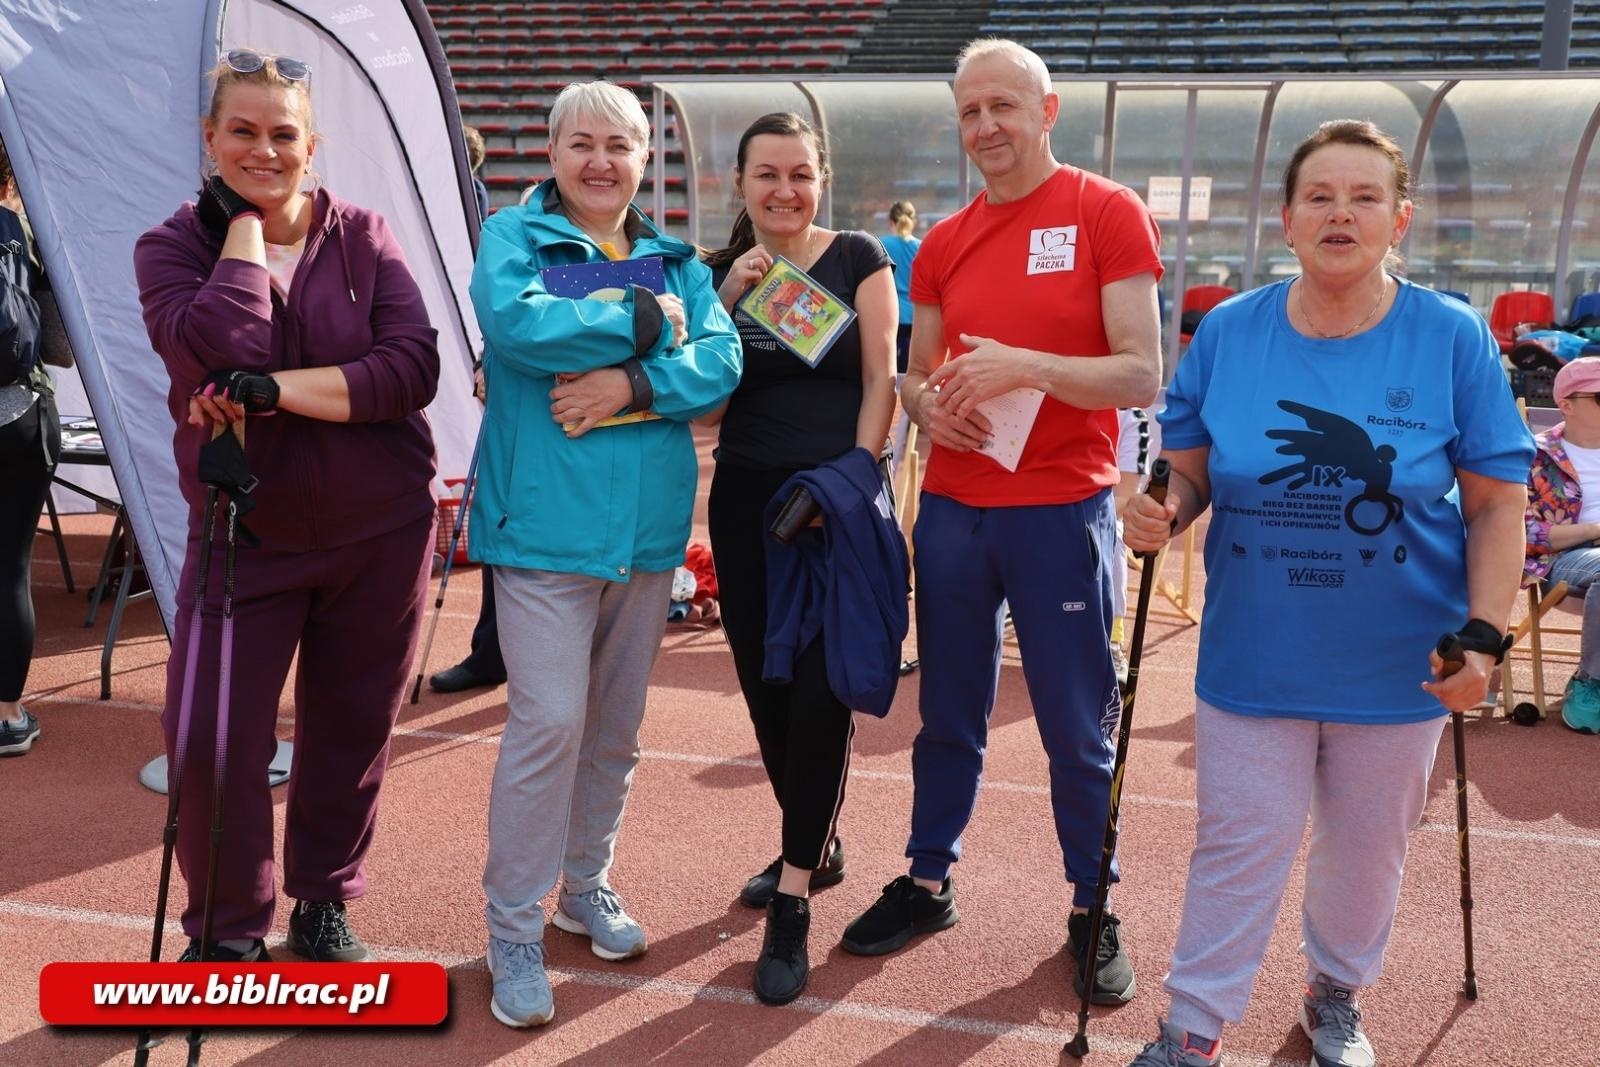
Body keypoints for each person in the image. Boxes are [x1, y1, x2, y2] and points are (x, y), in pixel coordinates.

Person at [1121, 120, 1532, 1067]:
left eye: (1364, 197)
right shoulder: (1228, 330)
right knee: (1236, 849)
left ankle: (1334, 995)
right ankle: (1192, 1028)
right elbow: (1184, 475)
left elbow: (1498, 504)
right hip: (1253, 655)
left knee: (1365, 855)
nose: (1340, 212)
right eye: (1320, 196)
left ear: (1401, 219)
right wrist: (1161, 510)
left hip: (1403, 669)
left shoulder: (1452, 336)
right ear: (1287, 219)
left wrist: (1483, 636)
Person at [839, 38, 1163, 1012]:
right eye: (969, 111)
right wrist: (928, 404)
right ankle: (929, 879)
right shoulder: (941, 241)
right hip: (953, 509)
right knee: (945, 713)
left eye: (1002, 108)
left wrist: (1028, 366)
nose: (985, 127)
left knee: (1075, 724)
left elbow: (1142, 370)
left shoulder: (1105, 211)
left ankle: (1090, 902)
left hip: (1060, 510)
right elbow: (917, 373)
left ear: (1046, 110)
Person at [133, 49, 440, 963]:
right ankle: (227, 932)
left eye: (283, 134)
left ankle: (322, 900)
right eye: (243, 131)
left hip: (380, 530)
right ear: (210, 137)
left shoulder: (368, 236)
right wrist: (242, 234)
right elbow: (222, 339)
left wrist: (267, 393)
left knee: (351, 729)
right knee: (208, 739)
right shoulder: (169, 246)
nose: (264, 149)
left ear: (314, 145)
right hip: (244, 535)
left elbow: (410, 372)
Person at [468, 80, 741, 1028]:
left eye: (618, 145)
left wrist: (625, 382)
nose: (599, 162)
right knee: (548, 724)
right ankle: (513, 926)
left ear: (642, 159)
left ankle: (585, 884)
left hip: (647, 534)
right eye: (581, 143)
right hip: (544, 526)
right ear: (552, 154)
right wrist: (642, 323)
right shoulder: (514, 241)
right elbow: (520, 327)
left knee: (616, 730)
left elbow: (720, 363)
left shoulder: (676, 260)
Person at [702, 112, 898, 1005]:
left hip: (835, 502)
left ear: (822, 177)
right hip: (747, 503)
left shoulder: (859, 256)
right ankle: (815, 841)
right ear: (739, 185)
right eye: (766, 175)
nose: (785, 190)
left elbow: (881, 378)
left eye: (800, 174)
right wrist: (728, 302)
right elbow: (702, 407)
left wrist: (853, 482)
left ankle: (792, 896)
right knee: (767, 689)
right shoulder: (717, 275)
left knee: (823, 690)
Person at [0, 140, 74, 757]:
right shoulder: (24, 231)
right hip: (19, 414)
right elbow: (59, 347)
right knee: (10, 569)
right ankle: (8, 714)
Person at [430, 123, 507, 697]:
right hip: (518, 395)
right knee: (502, 522)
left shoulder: (484, 209)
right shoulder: (512, 225)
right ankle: (493, 652)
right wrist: (488, 357)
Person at [1524, 355, 1600, 734]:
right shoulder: (1532, 456)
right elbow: (1526, 534)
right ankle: (1591, 682)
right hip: (1565, 559)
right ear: (1566, 405)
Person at [880, 200, 920, 476]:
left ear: (890, 220)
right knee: (908, 379)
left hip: (889, 316)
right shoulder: (920, 247)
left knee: (885, 378)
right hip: (916, 318)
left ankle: (884, 432)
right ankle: (905, 429)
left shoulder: (882, 245)